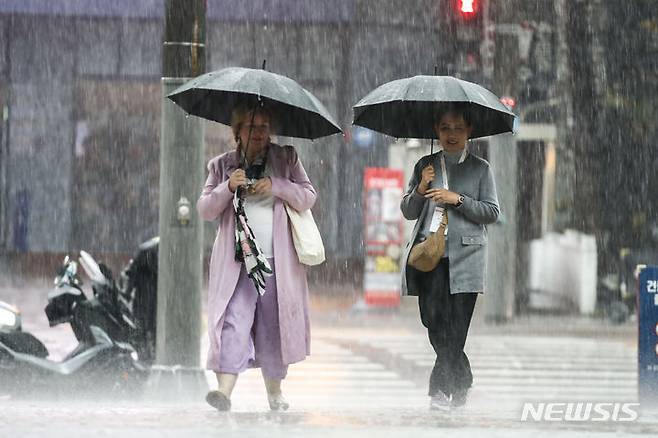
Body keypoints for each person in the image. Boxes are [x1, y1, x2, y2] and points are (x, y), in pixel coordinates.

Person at [197, 104, 316, 411]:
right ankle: (223, 391)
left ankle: (274, 393)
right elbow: (206, 209)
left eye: (264, 127)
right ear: (238, 132)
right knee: (233, 322)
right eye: (252, 127)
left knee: (272, 327)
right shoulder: (223, 165)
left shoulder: (286, 158)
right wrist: (228, 186)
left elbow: (308, 196)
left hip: (277, 262)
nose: (260, 133)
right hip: (239, 265)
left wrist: (277, 186)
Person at [399, 103, 500, 411]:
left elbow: (492, 212)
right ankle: (463, 377)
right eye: (445, 128)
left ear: (469, 130)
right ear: (436, 131)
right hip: (429, 258)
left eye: (458, 128)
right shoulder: (424, 165)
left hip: (465, 258)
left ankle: (440, 391)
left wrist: (458, 200)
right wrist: (421, 188)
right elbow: (407, 210)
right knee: (433, 320)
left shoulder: (481, 168)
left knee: (456, 328)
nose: (452, 134)